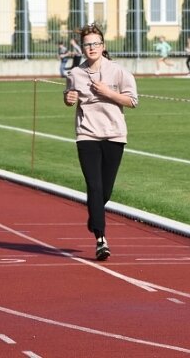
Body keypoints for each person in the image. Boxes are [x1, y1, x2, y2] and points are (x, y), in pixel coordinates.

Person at [63, 24, 138, 261]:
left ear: (103, 46)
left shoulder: (118, 72)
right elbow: (69, 98)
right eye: (87, 44)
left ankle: (94, 216)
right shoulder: (75, 74)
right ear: (82, 48)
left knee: (105, 191)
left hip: (114, 135)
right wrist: (68, 98)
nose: (92, 47)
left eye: (96, 43)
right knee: (94, 186)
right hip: (87, 135)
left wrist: (108, 93)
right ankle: (101, 239)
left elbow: (132, 101)